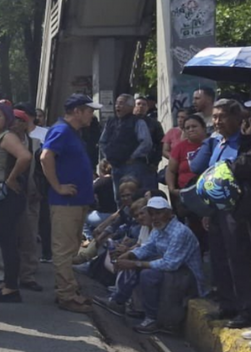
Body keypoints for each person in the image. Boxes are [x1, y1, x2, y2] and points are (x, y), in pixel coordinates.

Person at [94, 197, 204, 335]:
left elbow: (170, 264)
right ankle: (118, 301)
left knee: (147, 273)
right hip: (173, 271)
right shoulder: (158, 228)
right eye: (152, 213)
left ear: (169, 213)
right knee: (135, 263)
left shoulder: (180, 232)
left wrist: (135, 262)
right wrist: (129, 256)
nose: (155, 217)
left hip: (186, 275)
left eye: (159, 213)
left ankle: (152, 319)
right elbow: (147, 248)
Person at [190, 99, 251, 328]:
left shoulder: (245, 141)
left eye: (222, 117)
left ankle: (246, 309)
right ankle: (228, 305)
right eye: (214, 117)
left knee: (239, 258)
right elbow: (202, 169)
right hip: (216, 210)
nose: (217, 122)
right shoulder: (217, 142)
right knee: (219, 257)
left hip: (238, 209)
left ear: (237, 118)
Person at [40, 94, 102, 313]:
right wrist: (58, 186)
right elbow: (45, 157)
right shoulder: (61, 130)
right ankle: (66, 296)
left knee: (70, 248)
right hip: (65, 203)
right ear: (77, 111)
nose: (91, 115)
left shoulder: (72, 132)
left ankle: (67, 290)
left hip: (76, 202)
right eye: (89, 111)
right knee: (64, 250)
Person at [0, 104, 31, 303]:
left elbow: (25, 157)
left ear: (7, 118)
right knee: (3, 240)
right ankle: (5, 284)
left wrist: (11, 178)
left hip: (6, 195)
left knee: (8, 242)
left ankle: (11, 288)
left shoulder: (7, 136)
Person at [11, 109, 43, 292]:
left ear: (25, 124)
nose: (14, 124)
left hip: (30, 195)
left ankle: (28, 275)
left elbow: (40, 170)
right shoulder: (3, 142)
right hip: (10, 195)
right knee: (8, 239)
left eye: (18, 120)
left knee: (30, 236)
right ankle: (6, 276)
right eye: (12, 120)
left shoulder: (35, 143)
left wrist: (39, 189)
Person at [165, 115, 208, 252]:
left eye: (194, 126)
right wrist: (172, 188)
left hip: (208, 193)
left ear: (204, 128)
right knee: (194, 229)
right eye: (187, 128)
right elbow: (171, 170)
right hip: (187, 194)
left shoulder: (211, 143)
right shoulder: (180, 147)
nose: (190, 130)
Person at [99, 94, 153, 202]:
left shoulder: (137, 122)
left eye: (121, 103)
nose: (118, 106)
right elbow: (102, 141)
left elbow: (146, 142)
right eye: (117, 103)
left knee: (133, 195)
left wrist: (133, 156)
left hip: (132, 165)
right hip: (115, 166)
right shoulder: (111, 121)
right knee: (119, 197)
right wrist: (107, 156)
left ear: (131, 106)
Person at [134, 97, 164, 188]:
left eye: (144, 105)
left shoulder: (154, 124)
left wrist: (155, 162)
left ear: (147, 108)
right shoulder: (127, 122)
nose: (141, 107)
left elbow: (161, 144)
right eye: (138, 104)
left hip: (148, 164)